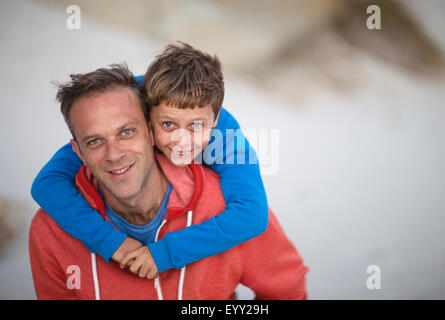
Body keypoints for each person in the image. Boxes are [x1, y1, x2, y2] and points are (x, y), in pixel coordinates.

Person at [28, 64, 308, 299]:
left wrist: (166, 253)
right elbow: (45, 184)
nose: (113, 153)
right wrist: (109, 241)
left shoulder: (223, 142)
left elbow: (253, 218)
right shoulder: (50, 230)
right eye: (95, 140)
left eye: (127, 131)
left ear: (148, 131)